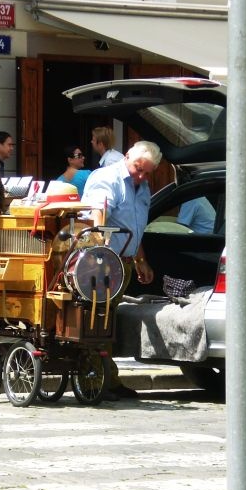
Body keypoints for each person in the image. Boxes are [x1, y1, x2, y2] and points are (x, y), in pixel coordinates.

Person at [82, 140, 162, 400]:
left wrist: (141, 260)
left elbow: (134, 226)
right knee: (98, 321)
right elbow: (97, 215)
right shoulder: (108, 177)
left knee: (107, 321)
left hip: (124, 262)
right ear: (127, 156)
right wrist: (101, 255)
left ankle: (104, 376)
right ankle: (100, 379)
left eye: (147, 172)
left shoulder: (143, 186)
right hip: (104, 263)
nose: (141, 175)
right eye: (138, 168)